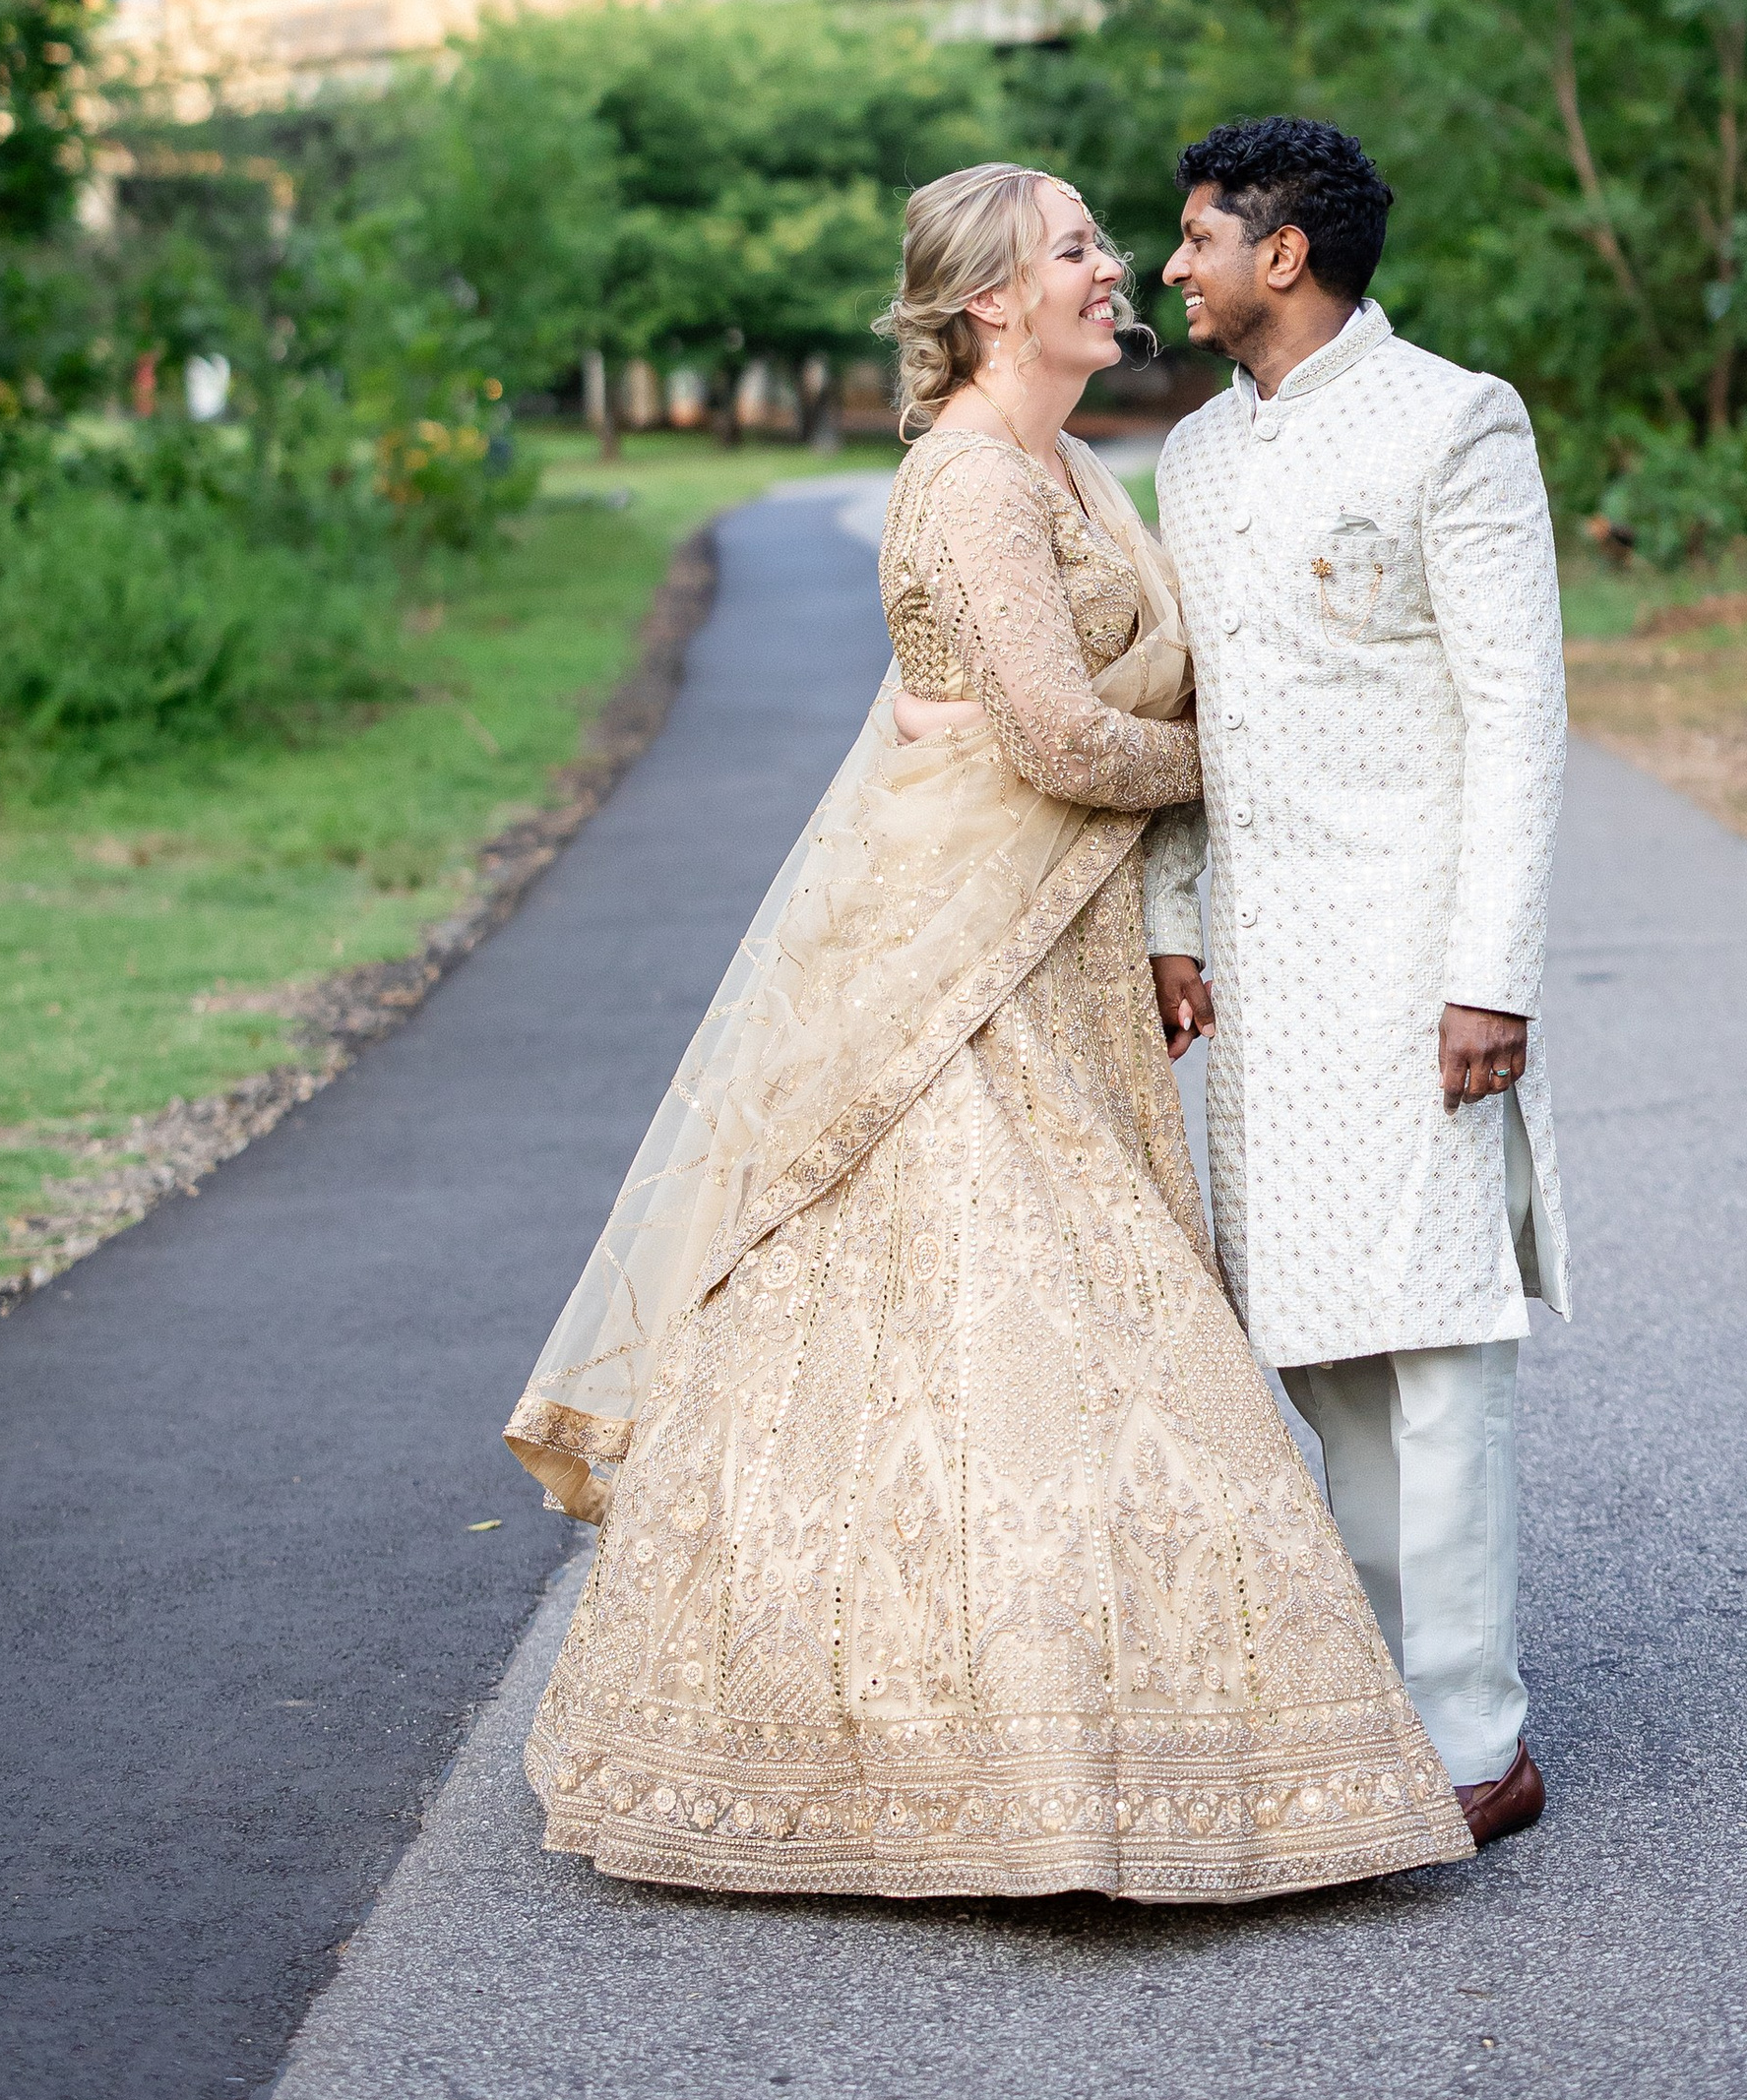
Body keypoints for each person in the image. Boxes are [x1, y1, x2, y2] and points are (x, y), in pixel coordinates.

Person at [504, 162, 1472, 1902]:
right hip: (958, 977)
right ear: (990, 306)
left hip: (1068, 954)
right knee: (1053, 1346)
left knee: (1050, 1349)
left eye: (1116, 245)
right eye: (1084, 250)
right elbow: (1053, 735)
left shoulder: (1079, 469)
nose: (1124, 272)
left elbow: (1132, 706)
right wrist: (1271, 772)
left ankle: (1078, 1746)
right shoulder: (965, 480)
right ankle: (954, 1760)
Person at [1143, 116, 1569, 1851]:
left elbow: (1518, 712)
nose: (1172, 265)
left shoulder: (1455, 419)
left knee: (1441, 1335)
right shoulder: (1187, 456)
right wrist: (1175, 911)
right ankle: (1391, 1684)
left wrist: (1492, 973)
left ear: (1285, 253)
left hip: (1413, 957)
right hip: (1260, 967)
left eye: (1195, 236)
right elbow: (1190, 720)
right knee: (1317, 1343)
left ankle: (1478, 1736)